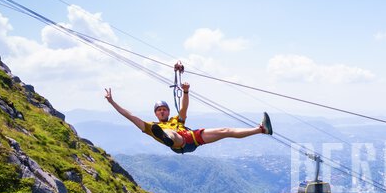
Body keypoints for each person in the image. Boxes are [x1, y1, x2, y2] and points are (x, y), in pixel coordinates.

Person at [104, 71, 272, 154]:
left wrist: (185, 91)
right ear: (156, 114)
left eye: (164, 110)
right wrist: (112, 102)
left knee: (225, 131)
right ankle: (167, 138)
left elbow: (184, 108)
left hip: (192, 138)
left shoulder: (177, 120)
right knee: (169, 132)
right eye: (159, 110)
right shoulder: (150, 126)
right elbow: (130, 116)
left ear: (168, 111)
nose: (162, 112)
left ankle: (261, 129)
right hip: (179, 145)